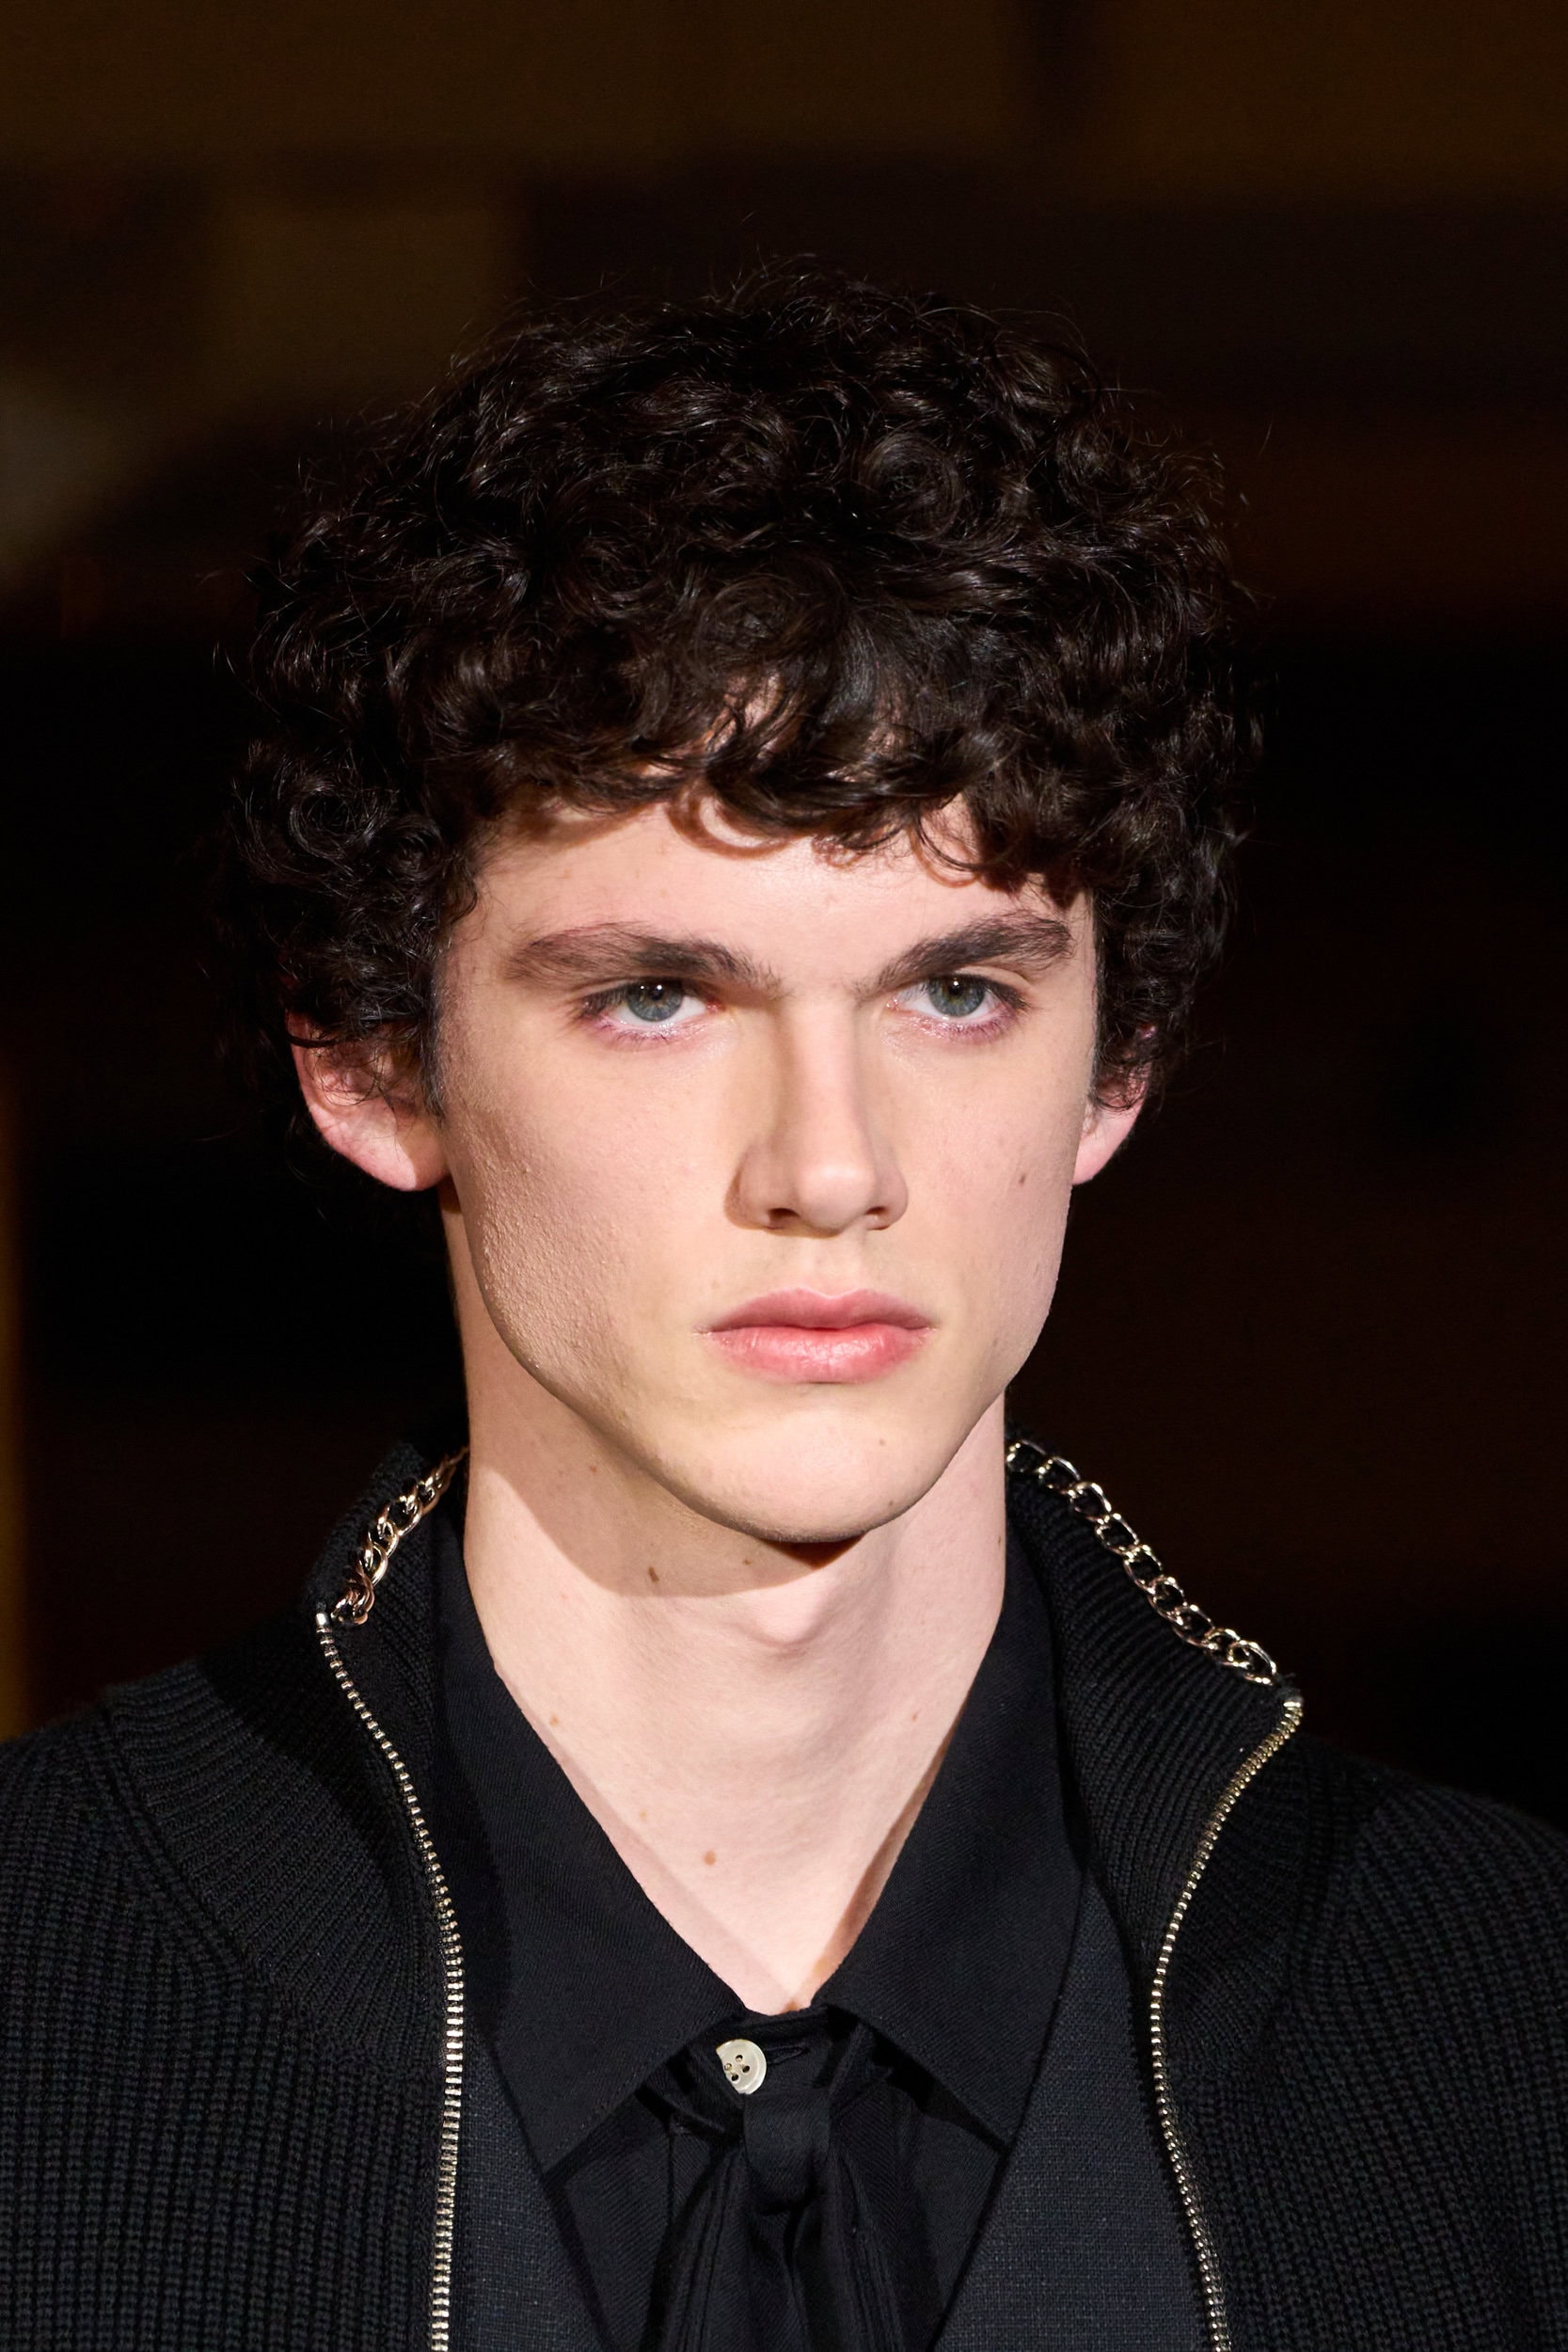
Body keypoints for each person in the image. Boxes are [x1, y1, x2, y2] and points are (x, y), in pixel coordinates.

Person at [1, 271, 1563, 2352]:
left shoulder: (1498, 2026)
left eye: (957, 992)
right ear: (372, 1061)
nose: (829, 1165)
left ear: (1117, 1064)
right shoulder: (47, 1995)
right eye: (659, 994)